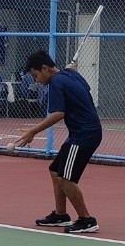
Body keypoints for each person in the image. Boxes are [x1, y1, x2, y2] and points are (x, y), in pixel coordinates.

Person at [11, 50, 103, 234]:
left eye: (36, 75)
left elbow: (58, 113)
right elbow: (84, 87)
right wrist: (69, 71)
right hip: (81, 132)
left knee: (66, 179)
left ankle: (87, 220)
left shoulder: (56, 82)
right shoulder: (70, 74)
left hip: (84, 134)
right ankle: (61, 215)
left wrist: (33, 131)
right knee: (55, 170)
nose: (36, 80)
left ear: (45, 68)